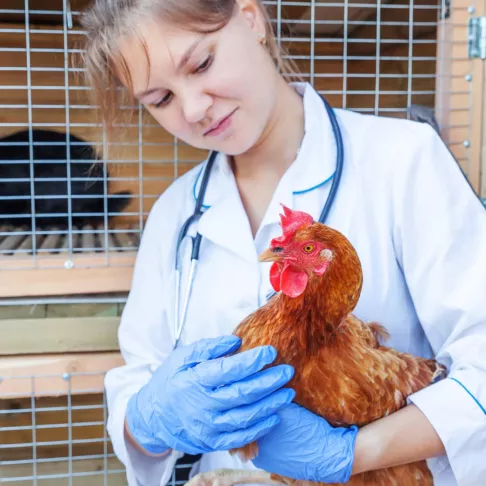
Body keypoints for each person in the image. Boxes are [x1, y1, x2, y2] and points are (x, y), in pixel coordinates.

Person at [80, 0, 486, 485]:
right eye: (160, 99)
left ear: (252, 21)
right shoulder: (174, 214)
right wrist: (148, 420)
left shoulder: (405, 162)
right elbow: (137, 378)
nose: (194, 108)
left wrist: (354, 452)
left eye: (202, 63)